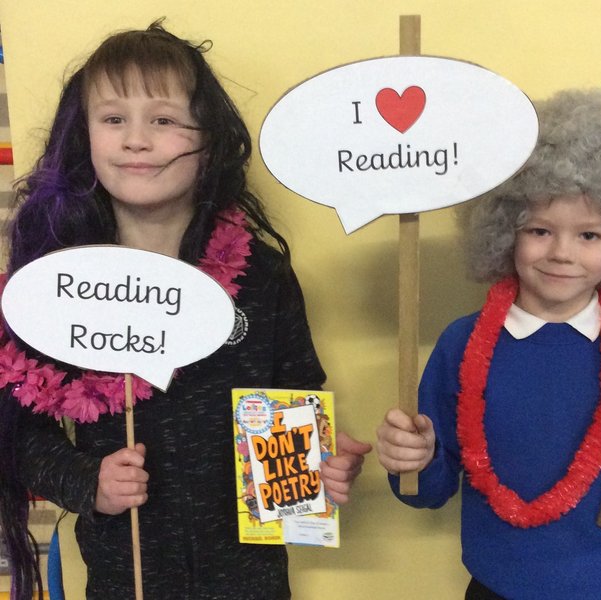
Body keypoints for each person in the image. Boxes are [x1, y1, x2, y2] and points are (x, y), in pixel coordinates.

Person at [0, 21, 371, 600]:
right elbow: (25, 430)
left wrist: (319, 470)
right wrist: (86, 482)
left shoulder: (261, 275)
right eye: (113, 118)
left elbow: (294, 390)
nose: (136, 140)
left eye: (165, 119)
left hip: (251, 578)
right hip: (127, 577)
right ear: (85, 137)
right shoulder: (59, 285)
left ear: (210, 140)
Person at [375, 89, 601, 600]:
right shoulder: (462, 343)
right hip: (496, 587)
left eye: (589, 235)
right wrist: (413, 458)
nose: (562, 252)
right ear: (504, 232)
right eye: (540, 230)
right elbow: (426, 493)